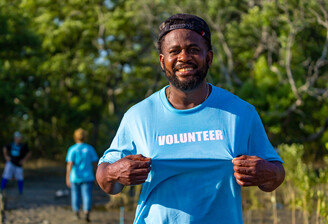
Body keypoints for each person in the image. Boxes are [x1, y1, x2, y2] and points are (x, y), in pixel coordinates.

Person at [96, 14, 285, 224]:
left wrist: (267, 173)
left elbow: (275, 176)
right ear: (162, 61)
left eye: (194, 50)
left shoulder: (241, 113)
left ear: (209, 57)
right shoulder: (138, 115)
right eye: (174, 51)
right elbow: (107, 181)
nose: (184, 57)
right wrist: (114, 172)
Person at [66, 128, 98, 222]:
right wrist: (96, 175)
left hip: (75, 177)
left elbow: (69, 165)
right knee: (87, 195)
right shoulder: (90, 148)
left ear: (75, 137)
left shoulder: (72, 149)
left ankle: (76, 213)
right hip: (88, 177)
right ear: (85, 137)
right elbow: (95, 163)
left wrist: (67, 177)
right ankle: (87, 213)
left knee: (75, 195)